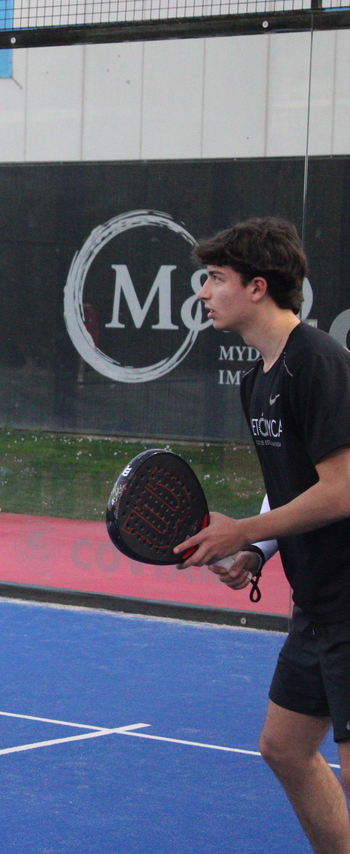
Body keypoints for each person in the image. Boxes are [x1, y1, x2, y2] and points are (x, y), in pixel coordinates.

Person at [176, 217, 350, 854]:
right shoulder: (258, 379)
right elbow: (289, 482)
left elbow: (342, 489)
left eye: (215, 278)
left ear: (256, 287)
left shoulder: (318, 362)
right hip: (320, 603)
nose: (203, 293)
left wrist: (241, 531)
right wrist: (258, 549)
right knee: (285, 748)